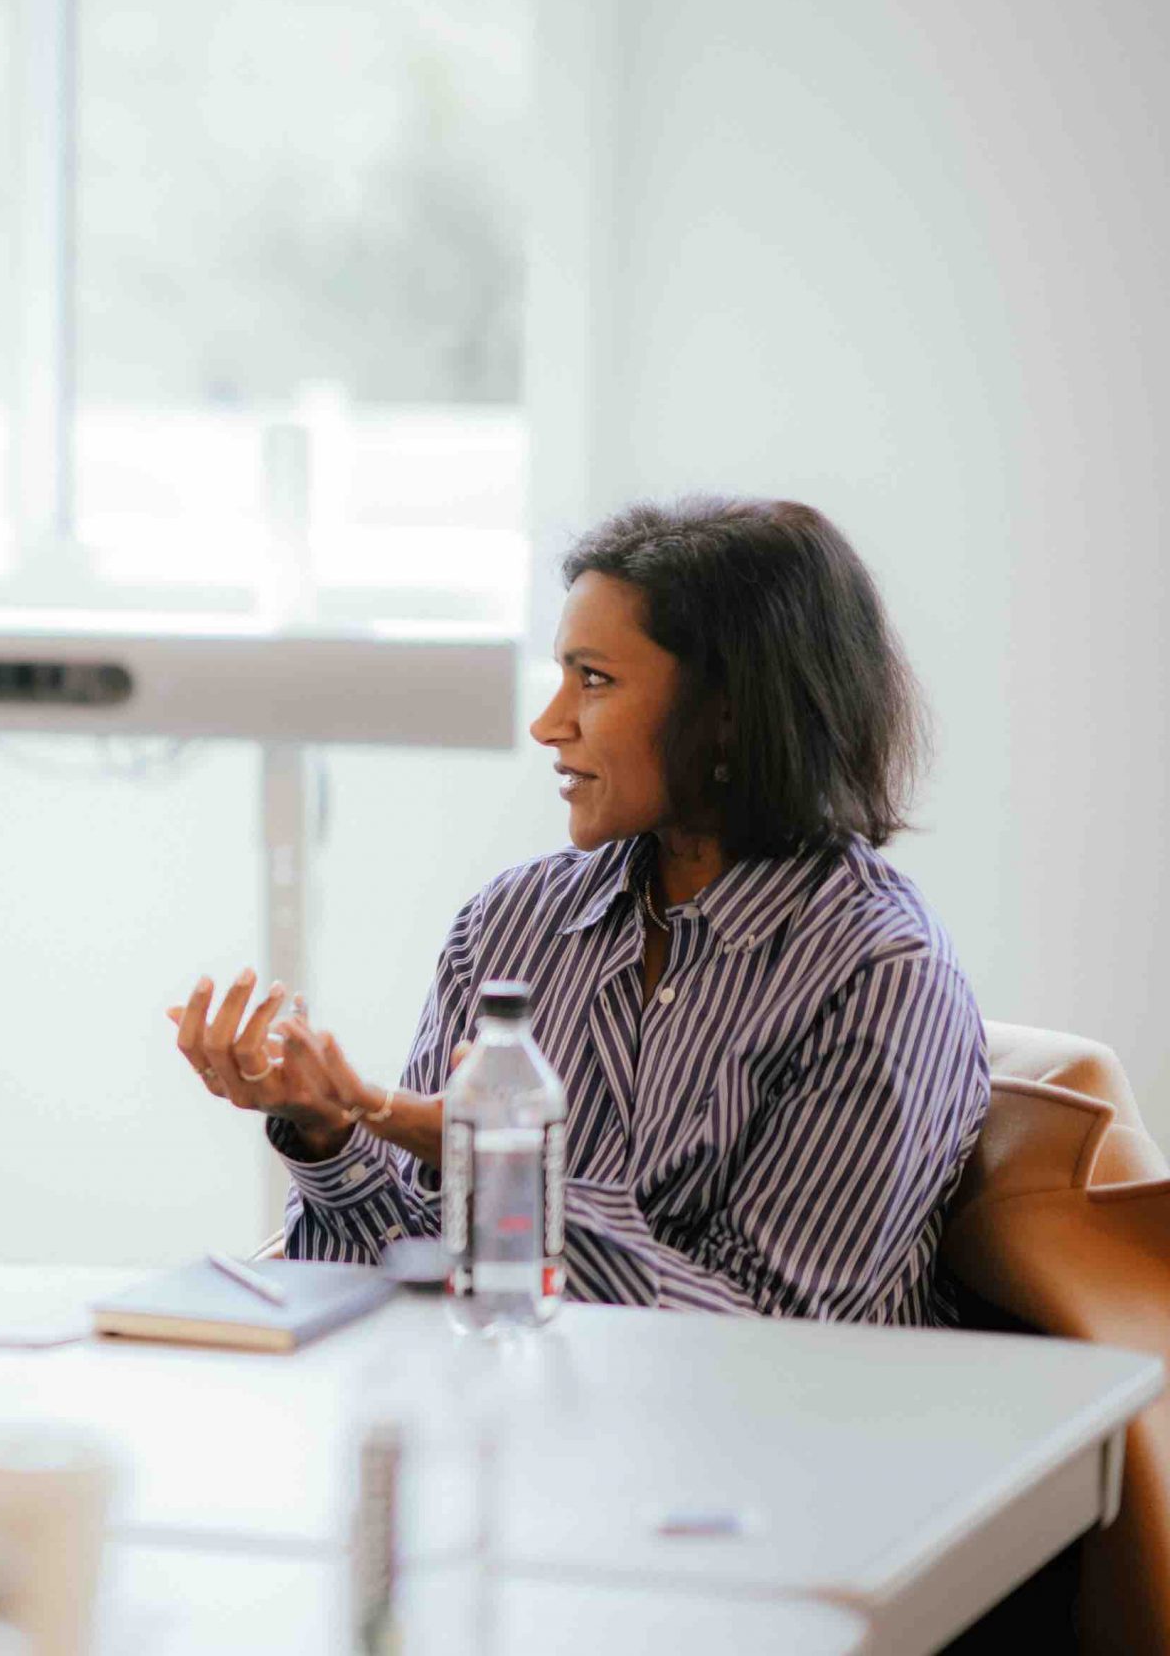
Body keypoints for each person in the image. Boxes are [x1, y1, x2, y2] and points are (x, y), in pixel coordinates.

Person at [169, 497, 988, 1324]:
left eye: (593, 679)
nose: (547, 721)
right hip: (509, 1419)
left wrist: (498, 1165)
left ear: (731, 711)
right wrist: (329, 1131)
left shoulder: (883, 975)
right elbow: (411, 1272)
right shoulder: (510, 923)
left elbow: (776, 1336)